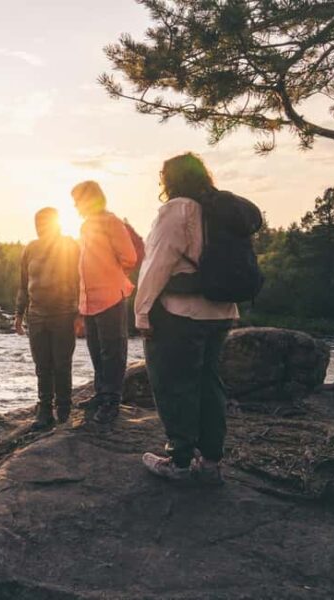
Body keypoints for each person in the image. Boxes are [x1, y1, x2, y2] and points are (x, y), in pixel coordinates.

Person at [135, 153, 242, 484]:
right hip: (222, 311)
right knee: (210, 383)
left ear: (169, 180)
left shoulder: (177, 209)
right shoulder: (220, 210)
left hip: (182, 312)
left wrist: (141, 312)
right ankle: (211, 462)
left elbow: (157, 264)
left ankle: (179, 461)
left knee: (174, 384)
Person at [71, 181, 138, 424]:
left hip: (110, 296)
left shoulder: (111, 222)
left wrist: (111, 274)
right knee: (95, 349)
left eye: (78, 199)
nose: (75, 205)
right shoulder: (85, 226)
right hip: (88, 300)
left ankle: (112, 401)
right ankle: (101, 393)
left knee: (113, 350)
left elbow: (129, 257)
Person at [14, 208, 80, 429]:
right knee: (42, 365)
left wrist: (80, 314)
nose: (40, 226)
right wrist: (18, 314)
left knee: (62, 364)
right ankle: (44, 411)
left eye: (44, 222)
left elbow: (80, 281)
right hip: (36, 315)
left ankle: (63, 410)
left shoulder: (70, 246)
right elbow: (23, 285)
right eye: (37, 222)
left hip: (63, 314)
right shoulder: (30, 249)